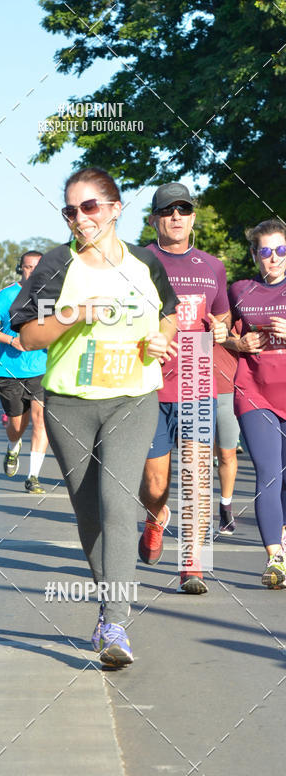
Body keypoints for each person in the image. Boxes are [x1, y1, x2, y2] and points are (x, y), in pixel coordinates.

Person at [10, 167, 178, 667]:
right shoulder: (58, 264)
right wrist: (75, 313)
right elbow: (28, 336)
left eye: (90, 207)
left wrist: (162, 339)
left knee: (118, 502)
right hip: (70, 403)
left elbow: (168, 313)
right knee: (90, 515)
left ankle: (116, 621)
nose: (80, 218)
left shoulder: (146, 262)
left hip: (133, 397)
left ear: (115, 208)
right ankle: (109, 607)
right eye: (71, 210)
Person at [138, 183, 229, 594]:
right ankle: (156, 517)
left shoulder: (213, 266)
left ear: (193, 218)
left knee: (196, 475)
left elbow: (222, 317)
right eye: (167, 210)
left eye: (183, 209)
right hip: (149, 384)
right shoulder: (137, 261)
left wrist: (223, 330)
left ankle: (193, 565)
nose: (176, 216)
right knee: (156, 485)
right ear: (154, 219)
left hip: (196, 380)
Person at [226, 219, 286, 587]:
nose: (274, 258)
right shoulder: (239, 291)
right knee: (269, 473)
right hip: (254, 392)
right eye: (266, 251)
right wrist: (237, 343)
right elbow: (214, 333)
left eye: (281, 250)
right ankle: (275, 558)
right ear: (254, 255)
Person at [0, 250, 50, 494]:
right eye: (28, 267)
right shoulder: (7, 295)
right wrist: (10, 340)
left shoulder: (51, 296)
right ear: (21, 269)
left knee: (41, 421)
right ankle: (13, 445)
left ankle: (33, 476)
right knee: (17, 425)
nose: (32, 272)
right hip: (9, 370)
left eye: (37, 267)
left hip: (41, 369)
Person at [213, 328, 240, 534]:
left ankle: (226, 507)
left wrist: (229, 338)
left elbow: (244, 340)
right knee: (195, 456)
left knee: (226, 452)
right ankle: (197, 512)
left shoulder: (235, 311)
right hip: (190, 386)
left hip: (227, 387)